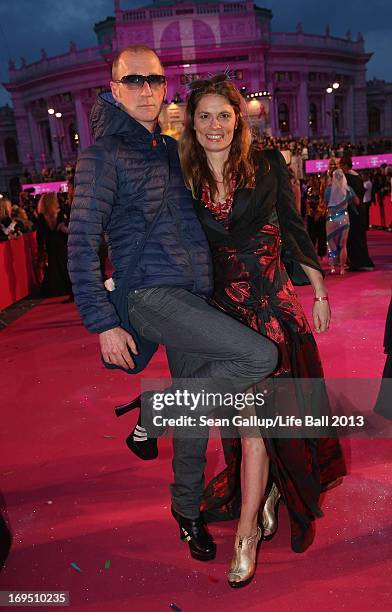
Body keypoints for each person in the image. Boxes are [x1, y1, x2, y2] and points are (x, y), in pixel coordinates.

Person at [68, 45, 278, 565]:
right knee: (258, 357)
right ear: (114, 89)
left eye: (155, 80)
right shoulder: (102, 156)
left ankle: (185, 510)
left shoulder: (167, 147)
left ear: (164, 89)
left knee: (194, 419)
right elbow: (79, 242)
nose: (146, 89)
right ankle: (155, 410)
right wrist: (101, 322)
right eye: (133, 80)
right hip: (149, 295)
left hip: (192, 295)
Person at [179, 76, 346, 587]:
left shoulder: (268, 167)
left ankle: (248, 531)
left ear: (238, 119)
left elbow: (294, 231)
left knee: (267, 422)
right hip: (225, 320)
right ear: (192, 123)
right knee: (250, 427)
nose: (214, 126)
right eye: (204, 116)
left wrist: (317, 291)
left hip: (274, 312)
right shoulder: (183, 179)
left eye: (223, 115)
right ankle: (256, 509)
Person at [340, 156, 374, 271]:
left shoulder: (348, 178)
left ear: (345, 165)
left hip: (353, 211)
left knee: (353, 237)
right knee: (358, 237)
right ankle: (358, 262)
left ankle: (358, 262)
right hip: (360, 210)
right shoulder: (357, 177)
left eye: (341, 165)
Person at [36, 192, 72, 297]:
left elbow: (40, 234)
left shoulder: (42, 217)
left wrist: (41, 248)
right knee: (63, 264)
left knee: (53, 266)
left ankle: (54, 289)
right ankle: (66, 287)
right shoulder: (60, 214)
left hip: (50, 243)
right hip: (60, 242)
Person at [324, 169, 358, 275]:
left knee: (331, 244)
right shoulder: (348, 189)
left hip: (331, 218)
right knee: (343, 245)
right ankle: (342, 268)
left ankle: (332, 267)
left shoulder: (328, 190)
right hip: (344, 218)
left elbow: (326, 203)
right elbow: (357, 201)